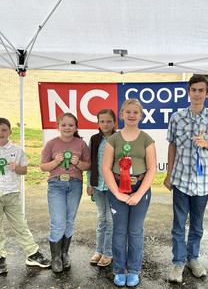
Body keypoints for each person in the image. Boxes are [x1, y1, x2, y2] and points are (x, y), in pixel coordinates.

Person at [164, 75, 208, 283]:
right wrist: (169, 174)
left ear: (207, 93)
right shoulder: (177, 117)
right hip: (181, 179)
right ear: (188, 92)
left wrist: (206, 144)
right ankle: (178, 262)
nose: (197, 94)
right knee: (179, 224)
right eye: (194, 90)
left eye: (201, 90)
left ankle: (193, 259)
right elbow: (171, 145)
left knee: (197, 224)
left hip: (203, 180)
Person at [0, 117, 50, 275]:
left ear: (10, 131)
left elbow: (24, 171)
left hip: (12, 193)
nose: (0, 133)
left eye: (4, 130)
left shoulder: (17, 151)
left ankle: (32, 253)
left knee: (20, 225)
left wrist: (16, 168)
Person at [102, 99, 156, 287]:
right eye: (128, 112)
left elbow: (152, 169)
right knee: (119, 231)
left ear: (141, 115)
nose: (132, 115)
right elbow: (106, 168)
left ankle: (133, 270)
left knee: (135, 231)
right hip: (118, 189)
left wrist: (139, 194)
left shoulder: (147, 139)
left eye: (136, 112)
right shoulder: (113, 139)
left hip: (140, 189)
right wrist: (117, 194)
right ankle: (119, 269)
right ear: (122, 114)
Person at [40, 113, 91, 273]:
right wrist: (55, 162)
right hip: (56, 185)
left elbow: (88, 165)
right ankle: (55, 257)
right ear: (58, 126)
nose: (67, 128)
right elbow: (43, 166)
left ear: (75, 127)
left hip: (74, 185)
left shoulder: (81, 144)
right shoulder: (51, 144)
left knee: (69, 221)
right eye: (64, 125)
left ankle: (64, 253)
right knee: (57, 222)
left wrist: (79, 163)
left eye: (71, 125)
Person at [86, 109, 116, 267]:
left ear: (114, 123)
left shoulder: (119, 138)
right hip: (98, 185)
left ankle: (108, 252)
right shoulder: (94, 139)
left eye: (109, 121)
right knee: (101, 218)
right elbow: (91, 162)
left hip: (113, 187)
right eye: (102, 121)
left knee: (111, 220)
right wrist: (89, 183)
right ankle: (98, 250)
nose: (105, 124)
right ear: (98, 123)